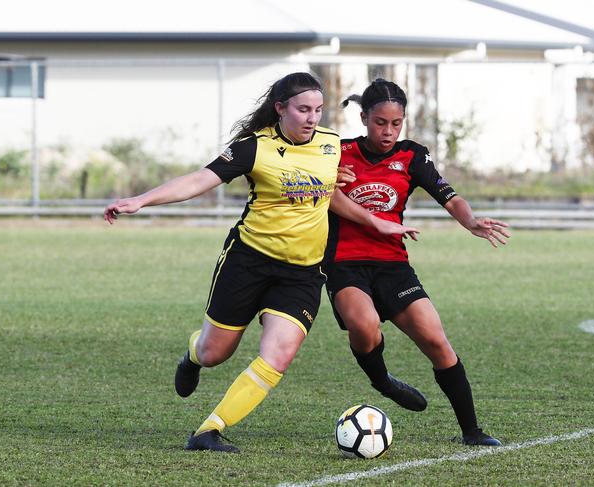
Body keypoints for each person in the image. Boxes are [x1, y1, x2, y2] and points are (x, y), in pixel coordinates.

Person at [103, 72, 418, 453]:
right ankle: (193, 354)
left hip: (302, 271)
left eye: (318, 110)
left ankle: (209, 430)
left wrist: (375, 221)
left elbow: (326, 195)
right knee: (215, 352)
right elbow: (199, 180)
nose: (311, 118)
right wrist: (141, 200)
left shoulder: (330, 144)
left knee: (279, 354)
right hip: (248, 262)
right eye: (303, 109)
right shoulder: (255, 147)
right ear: (280, 108)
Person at [325, 79, 510, 446]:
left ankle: (472, 432)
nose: (389, 131)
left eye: (396, 123)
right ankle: (382, 380)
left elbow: (449, 196)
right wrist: (327, 178)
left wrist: (470, 221)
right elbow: (306, 188)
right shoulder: (335, 151)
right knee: (365, 325)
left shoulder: (412, 155)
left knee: (436, 340)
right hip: (344, 262)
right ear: (363, 118)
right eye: (380, 123)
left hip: (393, 264)